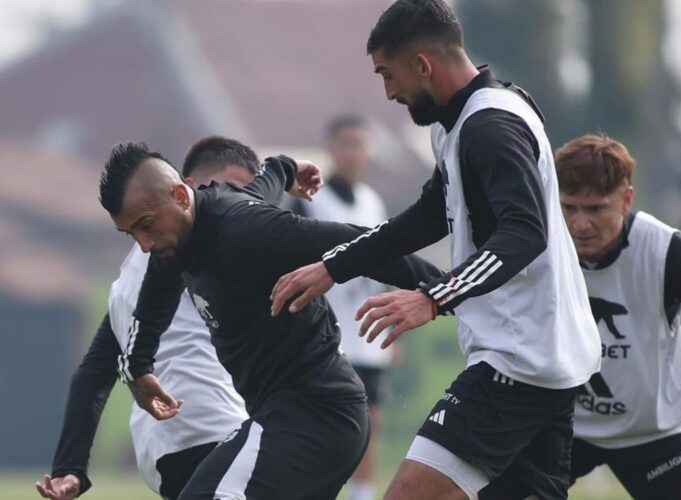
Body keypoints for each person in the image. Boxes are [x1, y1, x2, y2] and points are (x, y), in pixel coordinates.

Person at [270, 1, 601, 499]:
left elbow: (525, 232)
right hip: (544, 355)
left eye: (388, 74)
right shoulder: (462, 122)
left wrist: (433, 297)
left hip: (519, 360)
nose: (388, 93)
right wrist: (333, 267)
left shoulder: (490, 126)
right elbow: (427, 216)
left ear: (422, 65)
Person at [97, 141, 442, 499]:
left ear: (181, 196)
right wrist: (138, 368)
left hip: (316, 413)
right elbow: (155, 295)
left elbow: (359, 242)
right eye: (131, 233)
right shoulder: (177, 242)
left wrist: (444, 292)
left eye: (146, 226)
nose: (144, 244)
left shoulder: (245, 229)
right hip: (296, 416)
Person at [480, 133, 681, 500]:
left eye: (595, 209)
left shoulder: (663, 248)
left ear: (626, 200)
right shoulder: (537, 244)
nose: (579, 224)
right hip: (559, 427)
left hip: (652, 432)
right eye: (569, 207)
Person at [34, 136, 323, 500]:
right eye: (231, 187)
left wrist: (70, 468)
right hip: (214, 432)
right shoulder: (189, 253)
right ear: (185, 189)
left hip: (164, 453)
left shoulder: (131, 278)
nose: (239, 200)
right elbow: (94, 373)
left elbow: (93, 374)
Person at [292, 114, 391, 500]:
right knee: (324, 424)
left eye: (359, 145)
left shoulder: (373, 202)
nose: (352, 153)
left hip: (368, 332)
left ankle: (362, 494)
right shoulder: (310, 204)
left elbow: (385, 263)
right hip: (326, 337)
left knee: (372, 420)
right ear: (330, 149)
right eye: (344, 144)